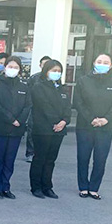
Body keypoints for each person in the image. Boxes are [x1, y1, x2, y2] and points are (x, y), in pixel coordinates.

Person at [73, 53, 112, 199]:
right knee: (83, 157)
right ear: (94, 63)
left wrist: (105, 119)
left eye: (106, 62)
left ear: (111, 66)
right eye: (99, 61)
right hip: (85, 126)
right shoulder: (83, 81)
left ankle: (94, 188)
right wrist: (91, 119)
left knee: (100, 158)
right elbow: (78, 102)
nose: (102, 64)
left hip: (106, 127)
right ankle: (83, 187)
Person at [0, 55, 30, 199]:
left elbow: (27, 106)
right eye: (10, 66)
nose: (13, 69)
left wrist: (20, 120)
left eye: (16, 67)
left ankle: (6, 186)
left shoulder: (24, 86)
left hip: (16, 130)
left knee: (9, 160)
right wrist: (11, 119)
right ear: (5, 67)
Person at [29, 59, 71, 199]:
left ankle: (47, 186)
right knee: (40, 158)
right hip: (43, 129)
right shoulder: (38, 87)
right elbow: (43, 106)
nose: (56, 73)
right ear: (46, 71)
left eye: (59, 71)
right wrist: (55, 122)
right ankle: (36, 187)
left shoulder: (62, 88)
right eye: (53, 71)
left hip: (59, 130)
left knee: (51, 160)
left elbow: (67, 108)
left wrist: (64, 121)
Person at [25, 55, 50, 161]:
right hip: (34, 107)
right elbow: (28, 93)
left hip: (48, 109)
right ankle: (30, 152)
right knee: (31, 129)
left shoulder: (53, 78)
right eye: (44, 64)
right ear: (40, 65)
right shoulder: (34, 78)